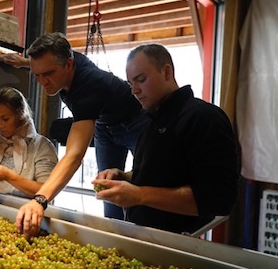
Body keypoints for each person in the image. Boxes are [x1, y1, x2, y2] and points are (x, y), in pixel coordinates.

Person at [5, 32, 149, 236]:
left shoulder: (88, 87)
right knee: (107, 187)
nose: (42, 82)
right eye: (37, 74)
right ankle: (115, 235)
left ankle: (144, 238)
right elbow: (45, 65)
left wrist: (40, 199)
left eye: (48, 74)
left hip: (136, 123)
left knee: (146, 182)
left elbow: (74, 155)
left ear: (69, 65)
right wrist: (24, 62)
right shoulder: (63, 59)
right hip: (104, 125)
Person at [92, 43, 239, 234]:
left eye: (141, 79)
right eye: (130, 84)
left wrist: (139, 195)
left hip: (178, 247)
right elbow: (166, 175)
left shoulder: (204, 117)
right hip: (146, 241)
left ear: (167, 72)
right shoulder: (150, 121)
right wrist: (124, 176)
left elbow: (219, 199)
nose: (134, 90)